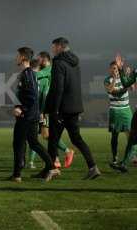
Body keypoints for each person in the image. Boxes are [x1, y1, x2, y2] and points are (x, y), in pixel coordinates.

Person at [44, 37, 100, 179]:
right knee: (76, 139)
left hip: (62, 108)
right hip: (74, 107)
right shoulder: (75, 62)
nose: (52, 50)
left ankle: (52, 169)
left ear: (59, 47)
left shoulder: (58, 63)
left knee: (53, 139)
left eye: (54, 47)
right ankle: (93, 167)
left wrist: (54, 109)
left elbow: (58, 88)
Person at [10, 47, 57, 182]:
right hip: (32, 114)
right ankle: (51, 167)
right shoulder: (29, 73)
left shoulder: (27, 74)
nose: (16, 58)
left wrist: (21, 109)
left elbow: (32, 96)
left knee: (18, 143)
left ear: (23, 58)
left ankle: (17, 174)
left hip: (27, 116)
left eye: (18, 55)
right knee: (33, 143)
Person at [28, 52, 74, 169]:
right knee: (39, 135)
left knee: (44, 135)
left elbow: (37, 78)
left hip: (47, 108)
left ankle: (66, 152)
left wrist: (28, 72)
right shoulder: (46, 72)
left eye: (39, 59)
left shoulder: (50, 70)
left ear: (44, 59)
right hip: (41, 108)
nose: (38, 61)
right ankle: (54, 160)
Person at [110, 54, 137, 172]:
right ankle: (124, 164)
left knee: (132, 136)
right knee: (132, 137)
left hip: (127, 109)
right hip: (131, 111)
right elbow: (127, 84)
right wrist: (121, 70)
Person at [104, 61, 132, 166]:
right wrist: (115, 79)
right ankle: (115, 157)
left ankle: (130, 157)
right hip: (115, 110)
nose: (114, 70)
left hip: (126, 109)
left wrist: (129, 77)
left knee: (131, 135)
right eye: (113, 68)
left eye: (116, 68)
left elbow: (132, 88)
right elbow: (111, 90)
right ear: (110, 69)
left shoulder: (124, 78)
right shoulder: (107, 80)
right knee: (115, 135)